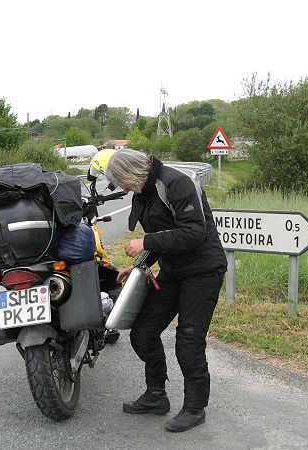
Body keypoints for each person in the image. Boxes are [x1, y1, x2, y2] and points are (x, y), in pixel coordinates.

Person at [101, 148, 227, 432]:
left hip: (203, 270)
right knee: (143, 333)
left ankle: (195, 408)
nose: (124, 189)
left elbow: (195, 233)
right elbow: (162, 238)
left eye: (123, 183)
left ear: (132, 173)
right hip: (173, 271)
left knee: (189, 339)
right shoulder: (143, 191)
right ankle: (156, 395)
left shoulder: (176, 183)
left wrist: (146, 242)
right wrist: (140, 266)